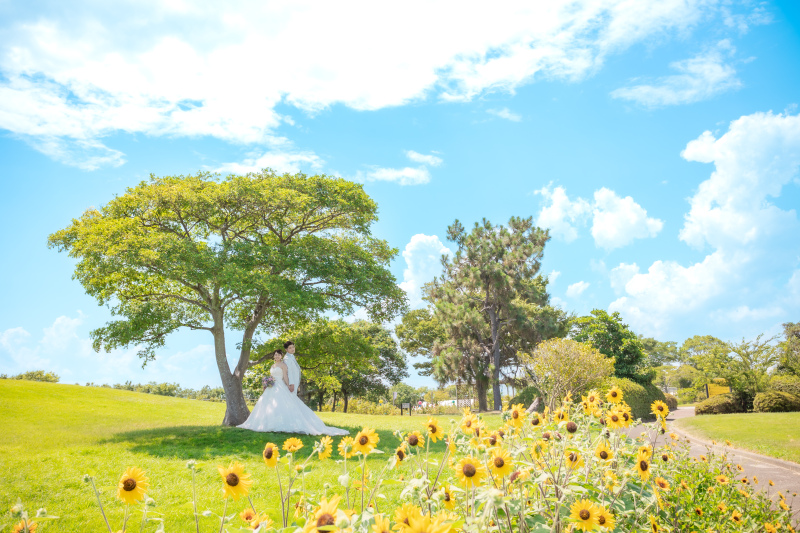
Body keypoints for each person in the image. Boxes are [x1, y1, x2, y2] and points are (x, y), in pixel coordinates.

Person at [237, 350, 348, 435]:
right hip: (271, 387)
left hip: (280, 386)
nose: (277, 356)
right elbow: (271, 376)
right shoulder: (272, 366)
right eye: (275, 355)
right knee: (268, 405)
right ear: (274, 356)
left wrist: (289, 385)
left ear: (281, 356)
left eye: (278, 355)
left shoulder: (283, 365)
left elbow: (285, 376)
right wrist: (267, 383)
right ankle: (266, 424)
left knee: (283, 405)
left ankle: (282, 424)